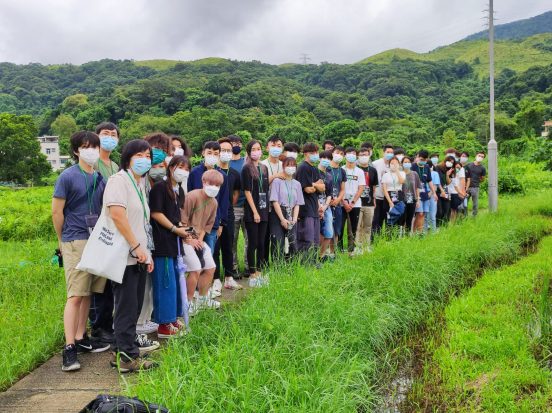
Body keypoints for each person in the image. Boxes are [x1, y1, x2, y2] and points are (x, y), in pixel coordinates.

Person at [52, 131, 110, 372]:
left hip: (96, 239)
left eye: (95, 147)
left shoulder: (99, 176)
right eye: (86, 147)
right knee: (75, 294)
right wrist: (62, 242)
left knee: (88, 293)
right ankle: (69, 348)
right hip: (75, 239)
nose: (92, 151)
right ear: (76, 150)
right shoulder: (67, 176)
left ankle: (80, 336)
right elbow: (57, 212)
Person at [104, 139, 157, 373]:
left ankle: (121, 351)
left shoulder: (139, 184)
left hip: (138, 255)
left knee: (132, 307)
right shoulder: (119, 181)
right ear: (128, 157)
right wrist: (136, 246)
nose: (145, 160)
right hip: (125, 256)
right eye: (139, 155)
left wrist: (147, 252)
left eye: (148, 156)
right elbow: (117, 215)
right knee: (126, 307)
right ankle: (127, 358)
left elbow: (141, 223)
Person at [149, 156, 190, 338]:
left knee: (174, 283)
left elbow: (175, 215)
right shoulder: (159, 188)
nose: (183, 171)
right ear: (171, 167)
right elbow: (156, 213)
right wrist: (175, 228)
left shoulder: (179, 190)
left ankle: (172, 318)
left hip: (175, 242)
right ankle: (163, 325)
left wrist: (182, 227)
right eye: (180, 166)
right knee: (165, 283)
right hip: (162, 242)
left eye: (186, 168)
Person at [137, 132, 171, 336]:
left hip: (151, 239)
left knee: (148, 282)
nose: (157, 154)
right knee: (138, 284)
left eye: (163, 151)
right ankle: (137, 323)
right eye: (154, 148)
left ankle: (144, 319)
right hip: (137, 239)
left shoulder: (156, 181)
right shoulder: (137, 177)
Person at [88, 122, 119, 346]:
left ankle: (107, 324)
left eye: (113, 134)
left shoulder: (115, 165)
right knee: (98, 280)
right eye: (105, 134)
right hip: (95, 226)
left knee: (109, 279)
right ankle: (98, 327)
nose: (109, 138)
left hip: (112, 226)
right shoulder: (93, 162)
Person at [181, 170, 221, 315]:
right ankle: (187, 302)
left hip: (198, 239)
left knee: (210, 267)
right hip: (184, 239)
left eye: (217, 185)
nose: (214, 187)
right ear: (204, 182)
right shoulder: (191, 196)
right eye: (211, 183)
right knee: (195, 269)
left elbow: (206, 226)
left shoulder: (214, 202)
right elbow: (182, 221)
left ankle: (203, 299)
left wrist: (199, 240)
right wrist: (190, 239)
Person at [188, 141, 229, 255]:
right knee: (195, 256)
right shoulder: (194, 173)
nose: (212, 156)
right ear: (203, 153)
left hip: (213, 223)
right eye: (209, 153)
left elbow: (224, 201)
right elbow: (188, 197)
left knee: (209, 255)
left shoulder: (223, 176)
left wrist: (221, 224)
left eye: (216, 154)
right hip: (194, 223)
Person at [214, 137, 242, 292]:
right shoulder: (212, 172)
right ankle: (215, 278)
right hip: (213, 214)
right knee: (215, 246)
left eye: (228, 151)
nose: (225, 153)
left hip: (229, 213)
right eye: (222, 150)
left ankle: (229, 277)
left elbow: (236, 192)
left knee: (228, 244)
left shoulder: (234, 174)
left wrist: (228, 204)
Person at [241, 140, 270, 286]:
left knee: (261, 243)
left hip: (264, 210)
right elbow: (247, 191)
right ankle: (252, 274)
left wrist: (263, 211)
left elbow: (266, 190)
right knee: (252, 243)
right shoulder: (246, 168)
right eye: (253, 149)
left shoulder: (264, 168)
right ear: (248, 151)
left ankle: (259, 272)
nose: (256, 151)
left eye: (258, 148)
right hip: (252, 212)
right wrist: (255, 212)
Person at [269, 157, 304, 259]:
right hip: (278, 213)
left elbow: (298, 203)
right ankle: (277, 267)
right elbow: (274, 201)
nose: (291, 168)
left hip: (291, 213)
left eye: (293, 165)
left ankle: (291, 265)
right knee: (278, 241)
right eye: (288, 165)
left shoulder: (297, 184)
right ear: (283, 166)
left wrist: (294, 219)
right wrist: (282, 219)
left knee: (292, 242)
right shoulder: (277, 181)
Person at [296, 143, 324, 259]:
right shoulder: (303, 167)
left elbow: (322, 188)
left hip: (314, 208)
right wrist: (315, 185)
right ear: (305, 153)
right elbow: (307, 189)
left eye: (316, 153)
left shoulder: (315, 169)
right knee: (307, 238)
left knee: (315, 239)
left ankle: (313, 261)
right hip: (305, 209)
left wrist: (319, 207)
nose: (315, 155)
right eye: (312, 153)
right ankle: (305, 263)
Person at [261, 135, 285, 262]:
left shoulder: (285, 165)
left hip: (280, 208)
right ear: (267, 148)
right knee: (264, 238)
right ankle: (263, 265)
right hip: (264, 207)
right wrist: (275, 176)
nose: (276, 148)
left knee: (278, 238)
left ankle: (278, 264)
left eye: (279, 146)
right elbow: (260, 186)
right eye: (273, 145)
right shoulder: (261, 164)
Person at [228, 135, 249, 276]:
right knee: (232, 240)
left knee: (249, 239)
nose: (237, 145)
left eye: (239, 143)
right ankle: (233, 267)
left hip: (248, 206)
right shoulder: (225, 163)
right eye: (233, 143)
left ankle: (248, 266)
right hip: (233, 206)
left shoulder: (246, 162)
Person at [340, 148, 365, 254]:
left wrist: (353, 202)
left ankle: (351, 249)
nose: (351, 156)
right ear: (345, 156)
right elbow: (338, 187)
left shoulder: (360, 171)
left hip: (355, 204)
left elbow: (361, 187)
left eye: (354, 154)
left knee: (353, 228)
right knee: (339, 227)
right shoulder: (341, 169)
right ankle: (339, 248)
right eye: (349, 154)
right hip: (341, 203)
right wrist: (344, 202)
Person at [356, 146, 378, 250]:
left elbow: (374, 187)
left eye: (366, 155)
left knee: (368, 226)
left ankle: (366, 246)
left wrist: (374, 199)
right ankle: (357, 246)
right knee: (357, 226)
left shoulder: (373, 170)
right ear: (358, 156)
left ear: (369, 156)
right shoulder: (355, 169)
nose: (364, 157)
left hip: (369, 203)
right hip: (357, 202)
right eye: (361, 155)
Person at [411, 150, 436, 233]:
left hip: (425, 193)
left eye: (424, 160)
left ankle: (420, 232)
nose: (423, 161)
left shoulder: (427, 167)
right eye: (421, 159)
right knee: (419, 213)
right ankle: (414, 232)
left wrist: (434, 193)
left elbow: (430, 181)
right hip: (416, 193)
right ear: (418, 157)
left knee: (424, 214)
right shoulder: (413, 166)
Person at [327, 146, 347, 256]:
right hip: (326, 204)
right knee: (326, 228)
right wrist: (328, 200)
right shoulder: (326, 168)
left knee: (336, 229)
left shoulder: (342, 171)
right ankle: (323, 252)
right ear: (332, 153)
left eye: (341, 154)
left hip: (337, 204)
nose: (339, 155)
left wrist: (338, 199)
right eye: (337, 152)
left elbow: (343, 189)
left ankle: (333, 253)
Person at [372, 144, 395, 234]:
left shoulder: (393, 165)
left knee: (388, 219)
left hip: (389, 198)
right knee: (376, 220)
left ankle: (387, 238)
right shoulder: (375, 164)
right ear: (383, 152)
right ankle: (375, 239)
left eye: (391, 152)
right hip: (378, 196)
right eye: (388, 152)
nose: (389, 154)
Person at [317, 151, 333, 260]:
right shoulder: (313, 172)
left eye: (328, 158)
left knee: (329, 233)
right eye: (324, 157)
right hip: (314, 206)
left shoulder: (329, 176)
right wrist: (319, 207)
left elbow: (329, 194)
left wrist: (325, 206)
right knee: (316, 233)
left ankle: (321, 256)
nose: (326, 160)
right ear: (319, 158)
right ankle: (313, 256)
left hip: (326, 207)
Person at [381, 156, 406, 227]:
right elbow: (384, 189)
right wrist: (390, 202)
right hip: (389, 196)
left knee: (399, 216)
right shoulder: (385, 175)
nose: (394, 165)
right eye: (392, 163)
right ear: (389, 165)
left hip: (399, 195)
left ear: (399, 164)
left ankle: (398, 235)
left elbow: (401, 181)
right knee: (389, 217)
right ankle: (389, 235)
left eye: (396, 163)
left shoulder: (402, 173)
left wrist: (397, 170)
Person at [401, 156, 421, 233]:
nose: (407, 163)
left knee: (409, 219)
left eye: (408, 162)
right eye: (405, 162)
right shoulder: (400, 173)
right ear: (402, 164)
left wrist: (418, 200)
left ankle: (407, 236)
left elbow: (417, 187)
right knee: (402, 219)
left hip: (412, 199)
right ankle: (400, 235)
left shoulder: (414, 174)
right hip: (402, 199)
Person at [435, 156, 455, 225]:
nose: (450, 163)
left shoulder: (450, 169)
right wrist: (441, 190)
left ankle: (445, 226)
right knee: (439, 211)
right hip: (438, 191)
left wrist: (447, 175)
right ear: (445, 160)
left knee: (447, 210)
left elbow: (448, 182)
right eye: (449, 161)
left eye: (452, 162)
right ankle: (437, 225)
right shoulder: (437, 167)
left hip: (446, 191)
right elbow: (436, 180)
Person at [465, 151, 486, 216]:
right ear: (476, 156)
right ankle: (464, 216)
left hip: (475, 187)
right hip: (466, 187)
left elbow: (483, 178)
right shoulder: (468, 165)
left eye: (482, 157)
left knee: (475, 203)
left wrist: (479, 179)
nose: (480, 157)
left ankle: (474, 216)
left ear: (483, 158)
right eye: (479, 155)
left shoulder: (483, 168)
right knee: (464, 203)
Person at [426, 158, 443, 232]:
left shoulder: (435, 173)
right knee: (425, 215)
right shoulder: (422, 173)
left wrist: (430, 193)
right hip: (424, 196)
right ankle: (425, 231)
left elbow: (435, 185)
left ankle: (433, 231)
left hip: (432, 195)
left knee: (432, 215)